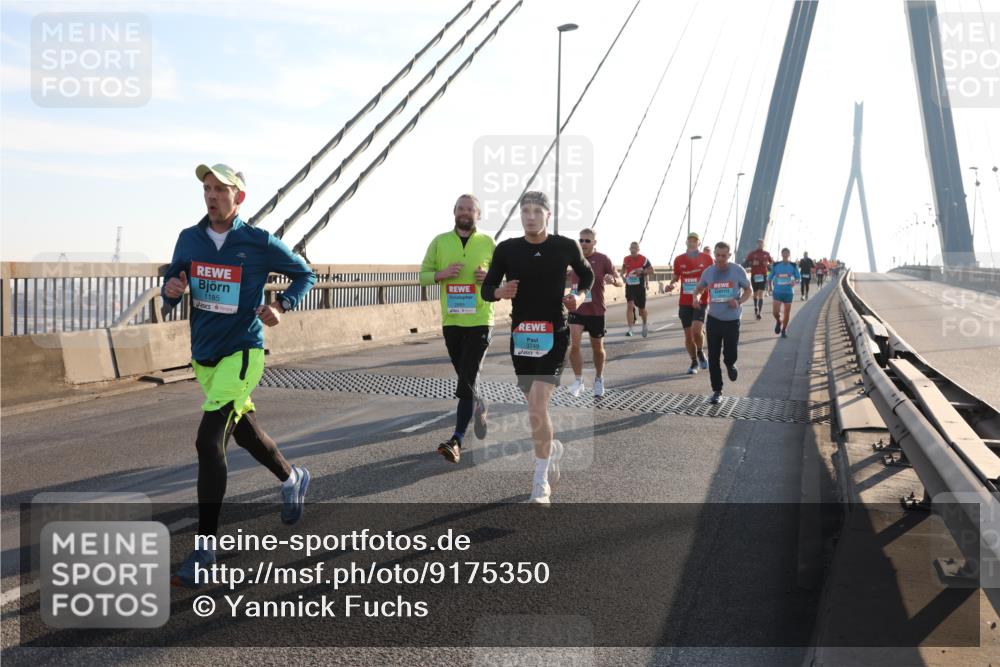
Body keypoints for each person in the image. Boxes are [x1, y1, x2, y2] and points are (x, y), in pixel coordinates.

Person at [163, 163, 316, 588]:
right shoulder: (189, 239)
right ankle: (292, 477)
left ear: (238, 198)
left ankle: (205, 549)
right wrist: (171, 290)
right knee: (244, 431)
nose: (211, 195)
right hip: (205, 356)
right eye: (207, 188)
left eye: (220, 189)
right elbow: (172, 281)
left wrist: (281, 306)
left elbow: (306, 274)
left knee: (208, 440)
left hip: (243, 353)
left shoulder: (257, 241)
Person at [482, 191, 594, 504]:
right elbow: (486, 289)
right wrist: (500, 291)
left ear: (548, 214)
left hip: (555, 334)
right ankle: (552, 449)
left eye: (536, 211)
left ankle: (540, 480)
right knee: (534, 408)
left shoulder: (564, 246)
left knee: (536, 406)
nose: (530, 216)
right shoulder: (507, 249)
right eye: (525, 211)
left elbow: (588, 275)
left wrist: (580, 296)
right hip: (522, 336)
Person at [420, 194, 495, 464]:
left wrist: (489, 278)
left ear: (478, 214)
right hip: (452, 321)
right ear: (454, 212)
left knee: (466, 381)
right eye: (461, 208)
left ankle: (457, 440)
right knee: (467, 379)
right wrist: (442, 274)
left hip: (480, 320)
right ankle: (480, 405)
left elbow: (505, 279)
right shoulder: (440, 242)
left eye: (471, 209)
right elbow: (423, 275)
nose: (465, 212)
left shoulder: (489, 243)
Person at [693, 241, 752, 404]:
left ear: (729, 255)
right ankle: (717, 390)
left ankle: (730, 364)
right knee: (713, 356)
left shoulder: (737, 271)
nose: (719, 259)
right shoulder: (709, 272)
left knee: (730, 354)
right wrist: (696, 297)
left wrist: (739, 301)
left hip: (732, 320)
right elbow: (699, 288)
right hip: (713, 319)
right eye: (717, 255)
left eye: (723, 256)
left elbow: (749, 291)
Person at [566, 227, 620, 397]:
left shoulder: (603, 259)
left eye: (587, 241)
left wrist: (614, 280)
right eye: (580, 240)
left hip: (596, 310)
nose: (583, 243)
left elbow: (620, 280)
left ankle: (599, 378)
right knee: (574, 345)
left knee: (597, 348)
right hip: (577, 308)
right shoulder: (573, 258)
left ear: (594, 242)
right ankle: (578, 380)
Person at [668, 232, 712, 374]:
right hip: (685, 301)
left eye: (695, 241)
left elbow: (711, 277)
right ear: (686, 242)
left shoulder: (707, 259)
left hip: (701, 300)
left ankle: (700, 351)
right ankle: (694, 362)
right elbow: (676, 277)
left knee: (696, 331)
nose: (692, 243)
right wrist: (672, 285)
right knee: (688, 336)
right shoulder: (679, 259)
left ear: (699, 243)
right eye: (690, 240)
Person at [621, 241, 654, 337]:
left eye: (635, 248)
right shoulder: (626, 259)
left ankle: (644, 324)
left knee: (641, 309)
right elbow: (623, 270)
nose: (633, 250)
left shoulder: (643, 259)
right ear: (629, 249)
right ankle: (630, 329)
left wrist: (642, 271)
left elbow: (652, 270)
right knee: (630, 305)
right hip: (630, 285)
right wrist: (622, 276)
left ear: (638, 250)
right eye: (631, 248)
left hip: (640, 286)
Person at [769, 248, 801, 338]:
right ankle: (779, 321)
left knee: (787, 312)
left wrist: (795, 281)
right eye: (784, 253)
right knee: (775, 312)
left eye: (787, 253)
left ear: (789, 254)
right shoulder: (776, 265)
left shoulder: (793, 265)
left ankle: (784, 330)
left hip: (788, 292)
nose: (785, 255)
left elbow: (799, 278)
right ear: (781, 254)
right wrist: (770, 287)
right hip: (777, 291)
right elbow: (769, 277)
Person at [743, 238, 773, 320]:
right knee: (755, 293)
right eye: (759, 243)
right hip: (754, 275)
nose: (760, 245)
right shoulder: (752, 253)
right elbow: (745, 263)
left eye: (761, 243)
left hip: (763, 275)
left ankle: (759, 312)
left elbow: (771, 263)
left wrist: (768, 264)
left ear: (763, 244)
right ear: (757, 244)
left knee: (761, 293)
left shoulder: (766, 254)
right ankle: (755, 306)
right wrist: (752, 263)